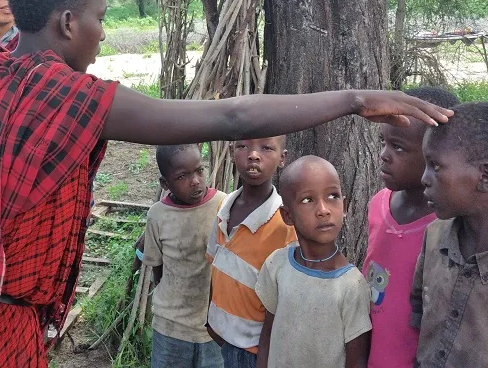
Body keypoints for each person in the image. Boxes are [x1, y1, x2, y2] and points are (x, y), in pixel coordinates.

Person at [0, 0, 451, 368]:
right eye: (99, 18)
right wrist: (352, 98)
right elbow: (231, 116)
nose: (103, 32)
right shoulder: (70, 99)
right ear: (67, 22)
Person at [411, 102, 488, 368]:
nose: (424, 179)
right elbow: (419, 308)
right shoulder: (435, 236)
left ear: (485, 177)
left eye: (435, 166)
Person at [363, 87, 460, 368]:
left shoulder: (446, 227)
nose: (384, 155)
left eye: (398, 147)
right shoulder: (379, 204)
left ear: (434, 154)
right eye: (383, 143)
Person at [255, 156, 372, 368]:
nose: (324, 210)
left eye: (333, 196)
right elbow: (268, 336)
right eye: (308, 200)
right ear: (287, 216)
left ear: (344, 206)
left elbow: (357, 361)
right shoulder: (278, 265)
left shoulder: (352, 286)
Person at [205, 137, 294, 367]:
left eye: (266, 148)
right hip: (223, 337)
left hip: (255, 350)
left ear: (282, 158)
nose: (253, 155)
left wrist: (263, 355)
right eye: (243, 146)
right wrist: (210, 318)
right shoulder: (223, 208)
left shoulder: (285, 224)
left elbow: (285, 301)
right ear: (233, 152)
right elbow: (215, 266)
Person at [143, 144, 227, 368]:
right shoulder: (158, 215)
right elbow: (157, 268)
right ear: (165, 184)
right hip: (170, 327)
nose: (196, 181)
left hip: (215, 328)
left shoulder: (224, 206)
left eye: (199, 170)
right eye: (182, 176)